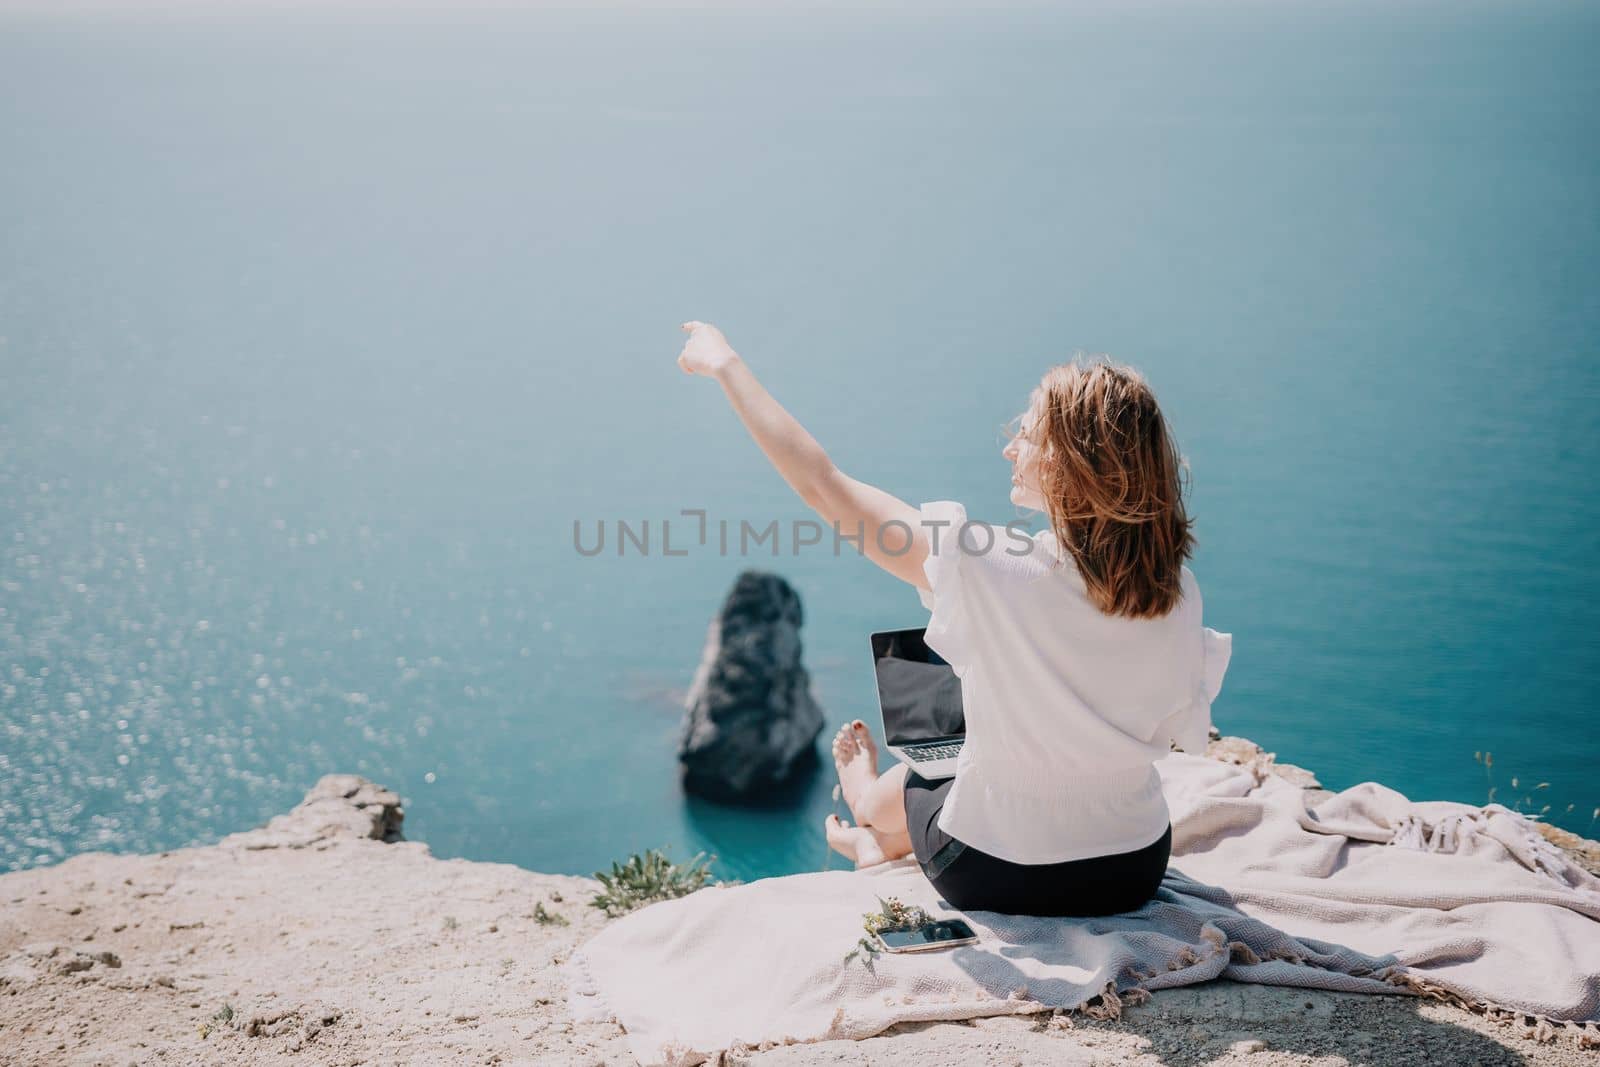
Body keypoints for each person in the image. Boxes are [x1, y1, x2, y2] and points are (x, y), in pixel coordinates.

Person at [675, 321, 1232, 918]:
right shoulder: (1176, 591)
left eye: (1027, 435)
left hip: (997, 874)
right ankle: (876, 839)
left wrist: (727, 365)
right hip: (1131, 869)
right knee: (982, 749)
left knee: (926, 775)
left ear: (1074, 463)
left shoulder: (985, 563)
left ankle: (864, 807)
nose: (1010, 448)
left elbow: (822, 483)